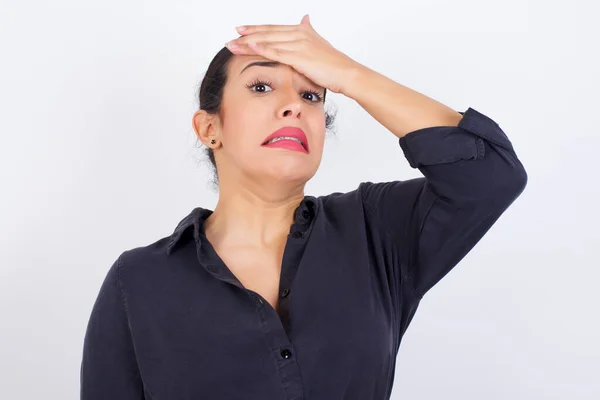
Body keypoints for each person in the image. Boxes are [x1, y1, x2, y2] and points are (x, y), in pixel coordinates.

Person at [80, 15, 527, 400]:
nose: (293, 105)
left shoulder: (376, 229)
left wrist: (348, 74)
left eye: (313, 96)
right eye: (261, 86)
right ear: (209, 127)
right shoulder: (137, 281)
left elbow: (491, 175)